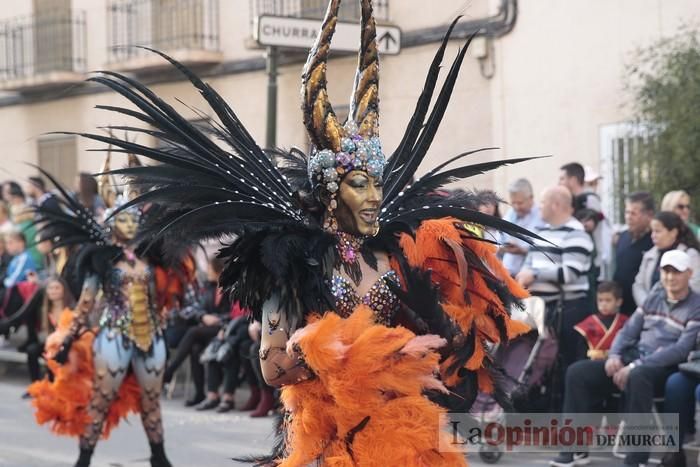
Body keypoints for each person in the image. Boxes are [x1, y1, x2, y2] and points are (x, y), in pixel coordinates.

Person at [87, 2, 537, 464]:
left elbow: (426, 336)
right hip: (330, 433)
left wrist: (452, 342)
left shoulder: (394, 256)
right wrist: (350, 360)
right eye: (359, 185)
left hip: (404, 429)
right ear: (329, 191)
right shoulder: (293, 266)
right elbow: (273, 366)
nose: (375, 197)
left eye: (378, 184)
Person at [26, 169, 197, 467]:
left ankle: (160, 457)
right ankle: (84, 460)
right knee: (101, 400)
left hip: (151, 335)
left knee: (151, 402)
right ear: (112, 225)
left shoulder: (153, 259)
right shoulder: (100, 260)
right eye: (122, 219)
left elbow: (166, 295)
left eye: (133, 219)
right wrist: (67, 338)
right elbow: (85, 304)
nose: (128, 224)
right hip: (113, 336)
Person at [550, 249, 700, 467]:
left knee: (638, 376)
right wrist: (615, 355)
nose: (670, 277)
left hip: (665, 367)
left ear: (689, 273)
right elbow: (628, 331)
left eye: (676, 272)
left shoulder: (696, 305)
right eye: (666, 271)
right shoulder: (654, 296)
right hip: (634, 359)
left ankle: (635, 459)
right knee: (577, 372)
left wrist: (633, 365)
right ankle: (574, 450)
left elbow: (680, 350)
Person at [517, 186, 594, 368]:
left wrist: (534, 275)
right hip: (540, 309)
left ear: (556, 205)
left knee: (562, 364)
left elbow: (570, 273)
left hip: (566, 311)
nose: (539, 207)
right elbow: (529, 262)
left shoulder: (577, 234)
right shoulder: (541, 231)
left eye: (543, 202)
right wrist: (524, 275)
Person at [162, 256, 232, 407]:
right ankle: (201, 394)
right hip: (208, 329)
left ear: (218, 270)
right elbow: (200, 308)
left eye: (209, 269)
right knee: (195, 348)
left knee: (193, 332)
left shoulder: (231, 289)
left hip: (225, 328)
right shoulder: (209, 287)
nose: (206, 271)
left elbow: (235, 313)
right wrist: (203, 316)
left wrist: (216, 319)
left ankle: (170, 371)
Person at [0, 276, 75, 385]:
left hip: (67, 345)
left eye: (57, 288)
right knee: (32, 350)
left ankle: (53, 386)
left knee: (54, 355)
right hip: (50, 343)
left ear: (64, 290)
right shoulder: (45, 308)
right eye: (50, 288)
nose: (53, 291)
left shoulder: (71, 308)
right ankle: (36, 386)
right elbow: (23, 314)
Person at [633, 211, 700, 306]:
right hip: (649, 311)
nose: (653, 236)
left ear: (673, 232)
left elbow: (695, 286)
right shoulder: (649, 255)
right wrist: (647, 305)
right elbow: (638, 284)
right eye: (652, 231)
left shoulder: (690, 255)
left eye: (658, 231)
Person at [559, 162, 613, 281]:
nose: (559, 183)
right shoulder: (571, 200)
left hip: (592, 260)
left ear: (573, 180)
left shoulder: (590, 199)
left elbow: (591, 225)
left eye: (562, 179)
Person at [613, 192, 655, 315]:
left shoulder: (655, 241)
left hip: (644, 309)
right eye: (627, 212)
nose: (628, 217)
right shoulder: (623, 237)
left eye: (634, 213)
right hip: (620, 310)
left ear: (649, 215)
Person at [573, 281, 628, 361]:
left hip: (617, 362)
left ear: (619, 302)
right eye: (600, 300)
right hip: (591, 363)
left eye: (608, 300)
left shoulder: (625, 322)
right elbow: (581, 352)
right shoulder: (588, 323)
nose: (603, 304)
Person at [501, 178, 541, 276]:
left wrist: (523, 251)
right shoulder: (510, 214)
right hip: (507, 276)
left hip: (529, 278)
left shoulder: (542, 216)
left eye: (520, 203)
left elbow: (545, 250)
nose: (516, 207)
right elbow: (499, 240)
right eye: (513, 203)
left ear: (531, 198)